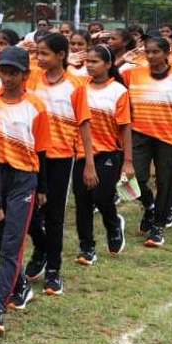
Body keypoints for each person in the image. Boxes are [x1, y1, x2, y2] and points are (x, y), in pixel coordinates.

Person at [0, 45, 49, 336]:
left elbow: (42, 150)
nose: (7, 78)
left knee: (11, 245)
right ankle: (20, 286)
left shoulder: (36, 106)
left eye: (13, 73)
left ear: (25, 75)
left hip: (23, 179)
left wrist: (42, 187)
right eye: (3, 72)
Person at [25, 32, 95, 295]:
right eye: (37, 53)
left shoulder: (75, 85)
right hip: (31, 156)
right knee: (29, 214)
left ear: (61, 55)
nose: (39, 58)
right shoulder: (32, 78)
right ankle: (41, 248)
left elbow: (84, 124)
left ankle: (53, 270)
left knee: (54, 217)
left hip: (61, 158)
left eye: (44, 53)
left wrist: (88, 161)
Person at [125, 36, 172, 247]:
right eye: (148, 51)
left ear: (166, 53)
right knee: (135, 178)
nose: (151, 56)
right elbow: (108, 77)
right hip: (139, 134)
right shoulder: (133, 74)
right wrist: (122, 59)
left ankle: (158, 226)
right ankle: (149, 206)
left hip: (168, 138)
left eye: (156, 52)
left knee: (165, 182)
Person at [72, 44, 132, 264]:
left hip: (109, 152)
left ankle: (114, 225)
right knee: (83, 201)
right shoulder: (79, 87)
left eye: (95, 61)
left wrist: (128, 161)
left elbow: (125, 127)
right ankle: (86, 247)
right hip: (81, 153)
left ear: (108, 64)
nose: (89, 65)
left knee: (102, 197)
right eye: (87, 61)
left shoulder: (118, 91)